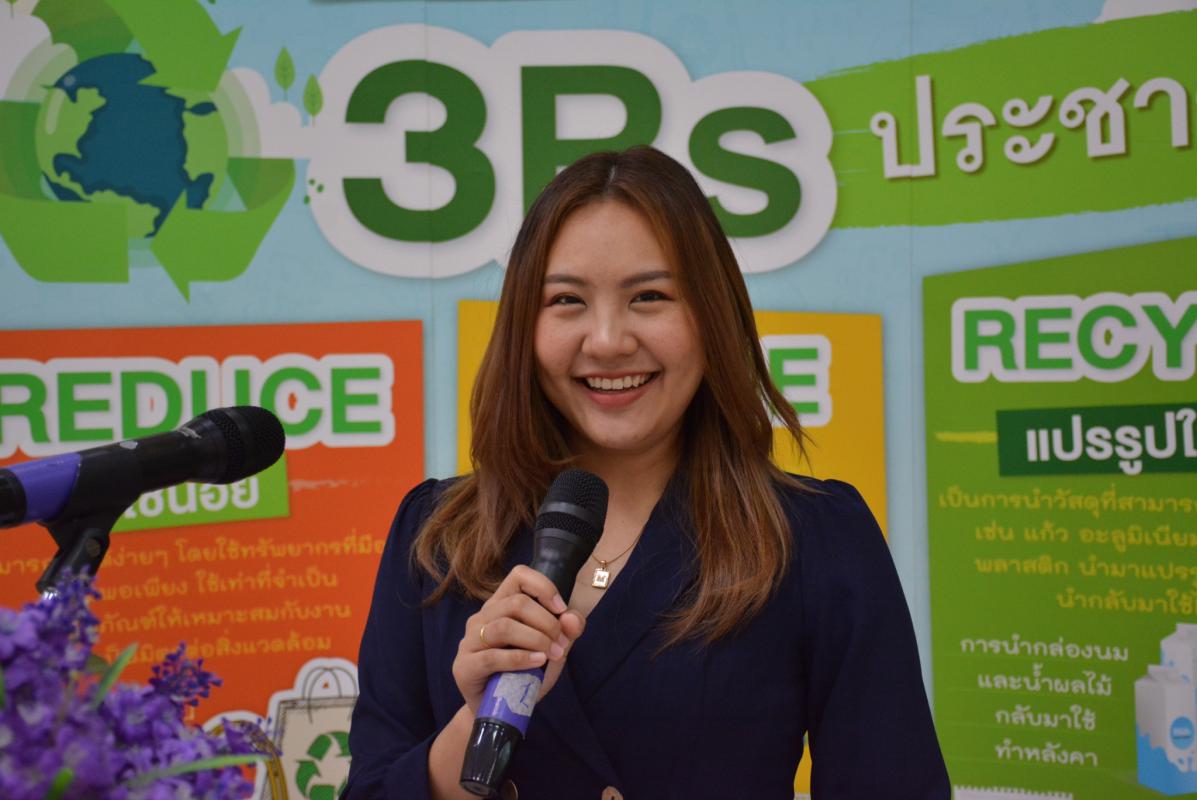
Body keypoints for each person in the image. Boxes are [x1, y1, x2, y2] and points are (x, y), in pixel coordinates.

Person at [343, 146, 950, 799]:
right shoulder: (435, 536)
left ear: (712, 315)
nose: (607, 341)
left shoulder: (815, 538)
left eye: (650, 296)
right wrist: (475, 721)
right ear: (523, 324)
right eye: (567, 299)